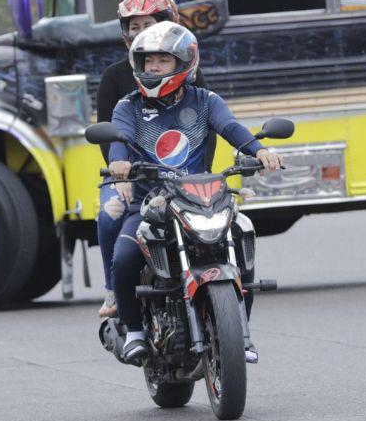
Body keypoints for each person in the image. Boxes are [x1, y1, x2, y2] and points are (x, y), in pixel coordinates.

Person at [107, 21, 282, 364]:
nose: (153, 67)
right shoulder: (127, 107)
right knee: (123, 258)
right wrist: (119, 165)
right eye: (147, 61)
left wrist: (258, 151)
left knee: (240, 235)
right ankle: (135, 331)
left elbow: (231, 127)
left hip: (201, 199)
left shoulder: (205, 101)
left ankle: (240, 334)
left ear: (184, 63)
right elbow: (119, 139)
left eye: (163, 61)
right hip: (151, 204)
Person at [96, 0, 209, 320]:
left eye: (147, 23)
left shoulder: (191, 74)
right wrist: (120, 176)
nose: (139, 31)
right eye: (133, 26)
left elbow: (208, 128)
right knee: (109, 216)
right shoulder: (114, 78)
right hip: (133, 176)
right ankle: (112, 289)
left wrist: (203, 174)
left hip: (183, 174)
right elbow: (109, 136)